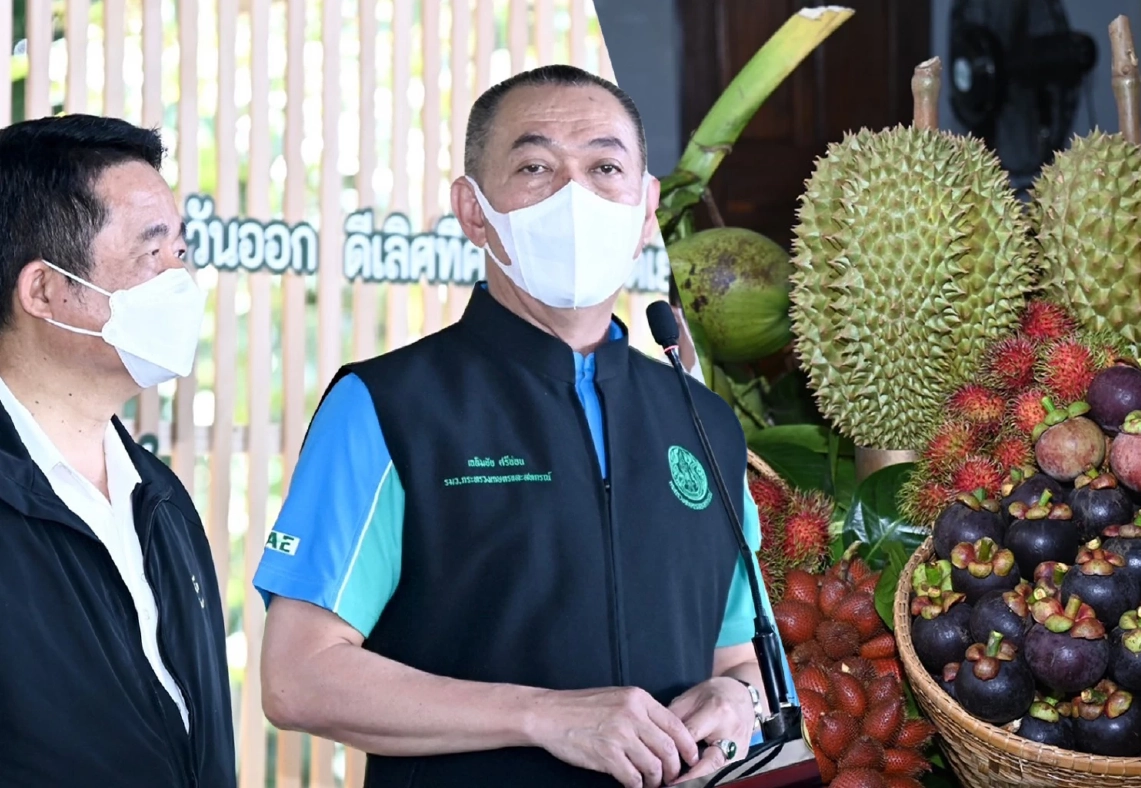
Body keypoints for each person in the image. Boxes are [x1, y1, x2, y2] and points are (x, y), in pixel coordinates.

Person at [255, 64, 779, 788]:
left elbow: (742, 655)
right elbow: (298, 677)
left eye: (605, 168)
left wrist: (737, 698)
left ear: (644, 207)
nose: (575, 195)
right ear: (473, 212)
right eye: (535, 166)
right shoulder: (388, 405)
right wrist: (543, 715)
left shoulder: (705, 423)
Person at [0, 115, 234, 786]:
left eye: (181, 252)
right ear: (44, 290)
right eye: (149, 254)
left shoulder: (158, 496)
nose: (180, 280)